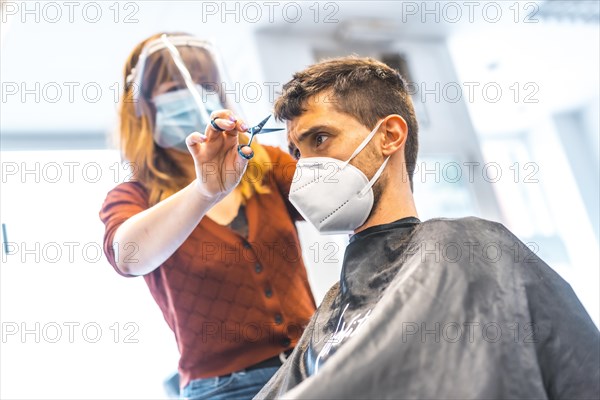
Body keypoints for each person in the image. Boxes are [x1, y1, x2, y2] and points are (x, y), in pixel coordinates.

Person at [254, 56, 600, 399]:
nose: (304, 168)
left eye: (320, 138)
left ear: (389, 135)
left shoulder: (466, 246)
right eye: (297, 153)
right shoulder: (333, 308)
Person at [98, 32, 316, 399]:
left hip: (309, 366)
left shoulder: (263, 164)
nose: (194, 94)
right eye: (174, 87)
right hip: (221, 388)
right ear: (143, 108)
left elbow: (340, 203)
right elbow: (129, 256)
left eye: (204, 84)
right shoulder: (133, 197)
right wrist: (205, 191)